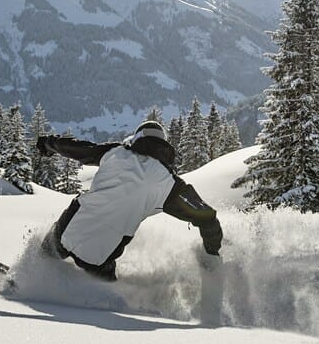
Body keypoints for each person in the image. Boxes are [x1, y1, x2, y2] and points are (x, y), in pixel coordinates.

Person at [37, 120, 222, 281]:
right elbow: (207, 217)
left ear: (136, 138)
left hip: (68, 230)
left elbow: (79, 148)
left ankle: (27, 276)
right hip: (102, 255)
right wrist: (211, 253)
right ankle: (107, 296)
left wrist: (48, 144)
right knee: (102, 281)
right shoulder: (170, 185)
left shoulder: (115, 152)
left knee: (48, 251)